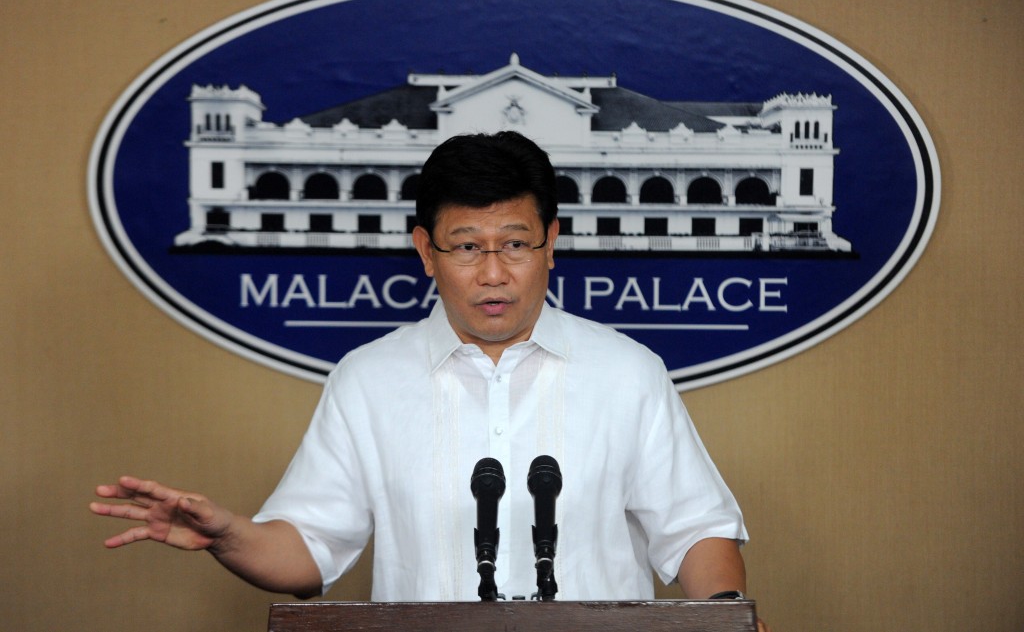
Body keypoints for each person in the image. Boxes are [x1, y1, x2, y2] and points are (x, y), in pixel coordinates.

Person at [92, 131, 763, 620]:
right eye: (467, 246)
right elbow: (308, 553)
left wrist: (727, 616)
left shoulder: (628, 372)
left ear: (551, 243)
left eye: (516, 244)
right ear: (426, 250)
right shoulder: (368, 380)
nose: (493, 273)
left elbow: (695, 530)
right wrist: (229, 536)